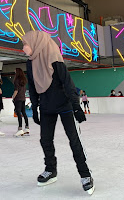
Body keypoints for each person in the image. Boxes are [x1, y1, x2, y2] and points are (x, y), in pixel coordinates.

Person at [23, 31, 94, 195]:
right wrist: (34, 108)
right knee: (45, 140)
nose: (23, 48)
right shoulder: (30, 63)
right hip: (47, 106)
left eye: (25, 43)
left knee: (73, 140)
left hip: (65, 105)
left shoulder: (53, 57)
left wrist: (76, 106)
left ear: (36, 43)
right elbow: (32, 87)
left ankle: (85, 175)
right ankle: (50, 170)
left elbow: (68, 82)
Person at [12, 68, 29, 137]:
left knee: (18, 112)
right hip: (23, 98)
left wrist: (13, 97)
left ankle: (20, 129)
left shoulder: (16, 80)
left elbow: (16, 90)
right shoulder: (24, 81)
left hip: (18, 98)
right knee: (23, 112)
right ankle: (27, 127)